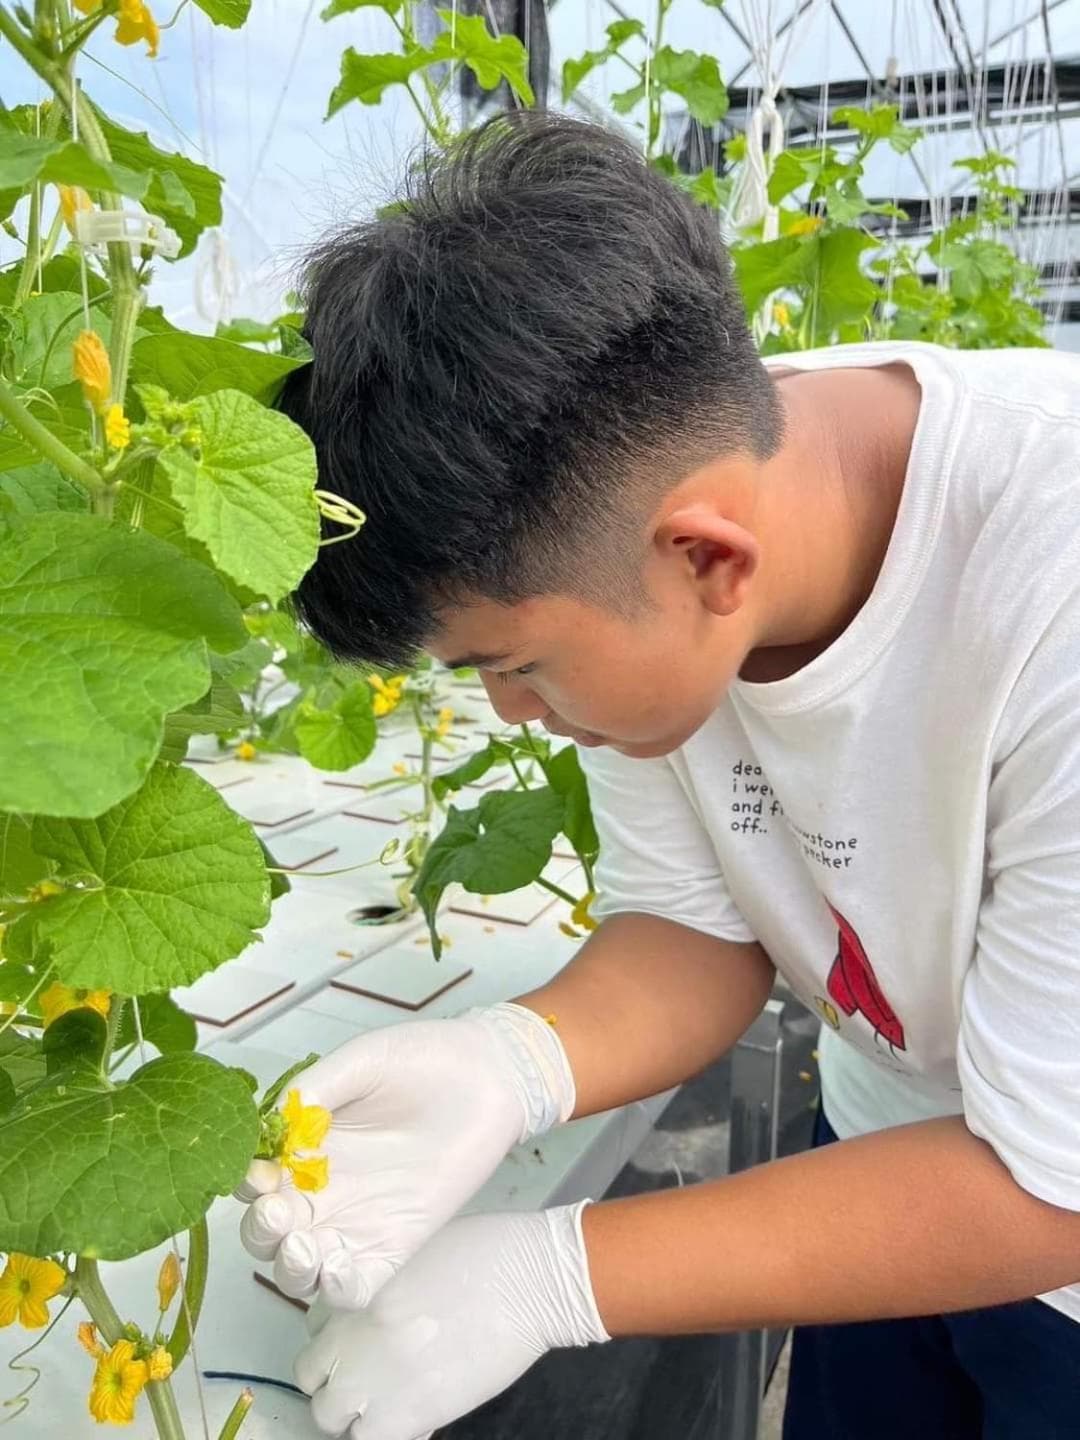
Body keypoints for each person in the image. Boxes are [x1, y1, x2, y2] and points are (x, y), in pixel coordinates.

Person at [237, 112, 1080, 1440]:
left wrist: (556, 1275)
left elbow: (1048, 1190)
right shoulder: (638, 491)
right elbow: (694, 928)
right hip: (871, 1165)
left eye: (517, 665)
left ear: (708, 560)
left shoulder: (1048, 577)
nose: (517, 713)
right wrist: (511, 1063)